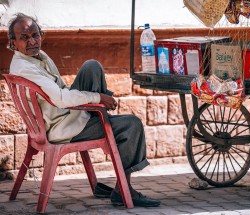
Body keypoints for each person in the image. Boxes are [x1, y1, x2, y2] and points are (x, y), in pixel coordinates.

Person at [7, 13, 160, 207]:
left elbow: (62, 89)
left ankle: (102, 118)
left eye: (35, 35)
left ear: (41, 35)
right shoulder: (24, 67)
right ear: (13, 42)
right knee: (131, 125)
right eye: (25, 38)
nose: (32, 41)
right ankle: (123, 189)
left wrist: (93, 99)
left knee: (91, 67)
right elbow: (61, 99)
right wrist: (98, 98)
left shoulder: (38, 56)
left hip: (64, 116)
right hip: (62, 127)